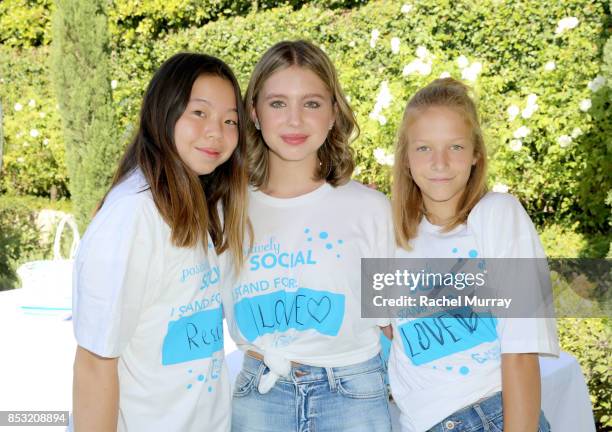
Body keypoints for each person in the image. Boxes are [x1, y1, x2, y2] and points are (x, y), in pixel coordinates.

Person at [221, 40, 394, 432]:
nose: (295, 121)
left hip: (353, 394)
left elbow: (395, 324)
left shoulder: (369, 209)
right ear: (254, 113)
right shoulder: (226, 209)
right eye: (278, 103)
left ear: (334, 112)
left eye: (312, 104)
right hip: (259, 394)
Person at [71, 52, 250, 432]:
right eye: (198, 112)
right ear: (162, 111)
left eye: (230, 120)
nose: (216, 132)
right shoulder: (133, 216)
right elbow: (94, 362)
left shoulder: (197, 204)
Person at [388, 77, 559, 432]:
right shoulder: (392, 238)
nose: (439, 163)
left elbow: (521, 350)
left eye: (455, 147)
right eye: (423, 148)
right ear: (405, 157)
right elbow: (391, 337)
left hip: (490, 417)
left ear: (476, 153)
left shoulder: (497, 215)